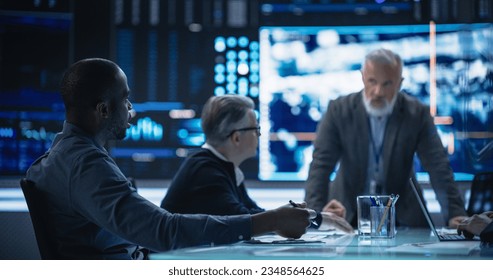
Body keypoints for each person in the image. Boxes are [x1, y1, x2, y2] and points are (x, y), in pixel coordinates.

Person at [25, 58, 314, 260]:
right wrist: (272, 220)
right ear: (102, 110)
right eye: (124, 99)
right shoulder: (85, 166)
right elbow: (165, 230)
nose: (131, 109)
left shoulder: (65, 155)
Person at [305, 48, 467, 228]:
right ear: (362, 77)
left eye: (387, 84)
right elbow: (321, 165)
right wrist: (314, 214)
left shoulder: (417, 114)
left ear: (400, 83)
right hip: (347, 214)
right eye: (372, 81)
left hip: (404, 217)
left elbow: (438, 166)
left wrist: (456, 213)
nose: (378, 91)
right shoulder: (338, 110)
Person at [160, 94, 353, 233]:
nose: (260, 136)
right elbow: (249, 221)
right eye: (256, 129)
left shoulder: (221, 166)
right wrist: (317, 218)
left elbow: (256, 213)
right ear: (236, 137)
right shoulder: (205, 171)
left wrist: (313, 217)